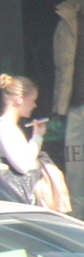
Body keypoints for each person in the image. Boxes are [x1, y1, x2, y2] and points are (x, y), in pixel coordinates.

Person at [1, 75, 49, 207]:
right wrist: (37, 137)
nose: (34, 105)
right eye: (32, 100)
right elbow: (23, 166)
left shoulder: (8, 127)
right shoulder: (6, 128)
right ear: (19, 99)